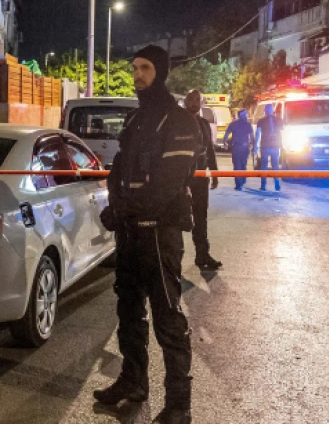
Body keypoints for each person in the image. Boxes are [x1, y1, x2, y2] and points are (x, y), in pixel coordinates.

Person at [95, 45, 198, 424]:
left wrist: (123, 208)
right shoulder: (137, 120)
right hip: (130, 234)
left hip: (159, 233)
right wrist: (116, 206)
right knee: (129, 311)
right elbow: (118, 171)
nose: (138, 74)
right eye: (135, 67)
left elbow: (168, 185)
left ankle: (178, 405)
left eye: (145, 68)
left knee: (167, 317)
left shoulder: (179, 121)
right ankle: (133, 381)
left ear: (162, 72)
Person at [183, 90, 221, 270]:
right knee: (177, 218)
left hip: (200, 178)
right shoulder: (175, 123)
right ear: (184, 101)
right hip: (180, 179)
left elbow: (210, 149)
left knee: (201, 217)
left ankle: (202, 255)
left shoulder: (205, 123)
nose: (194, 102)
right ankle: (172, 260)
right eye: (191, 99)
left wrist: (214, 172)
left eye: (197, 99)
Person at [224, 109, 255, 191]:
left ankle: (239, 184)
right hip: (244, 147)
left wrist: (225, 142)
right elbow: (252, 136)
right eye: (245, 114)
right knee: (243, 165)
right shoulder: (248, 125)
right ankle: (242, 180)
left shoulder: (233, 124)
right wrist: (253, 145)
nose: (246, 116)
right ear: (241, 115)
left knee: (237, 166)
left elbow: (226, 133)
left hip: (236, 147)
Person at [255, 104, 283, 191]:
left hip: (265, 146)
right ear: (272, 110)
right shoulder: (278, 119)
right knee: (275, 165)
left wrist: (256, 145)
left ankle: (263, 185)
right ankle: (277, 182)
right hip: (275, 146)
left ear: (265, 111)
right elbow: (282, 129)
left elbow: (258, 133)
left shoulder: (261, 121)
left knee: (264, 166)